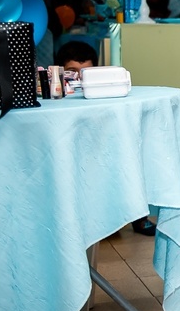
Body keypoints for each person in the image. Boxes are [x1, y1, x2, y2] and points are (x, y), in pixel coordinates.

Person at [56, 41, 158, 236]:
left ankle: (137, 215)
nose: (78, 78)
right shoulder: (57, 99)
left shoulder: (102, 94)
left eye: (85, 73)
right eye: (72, 71)